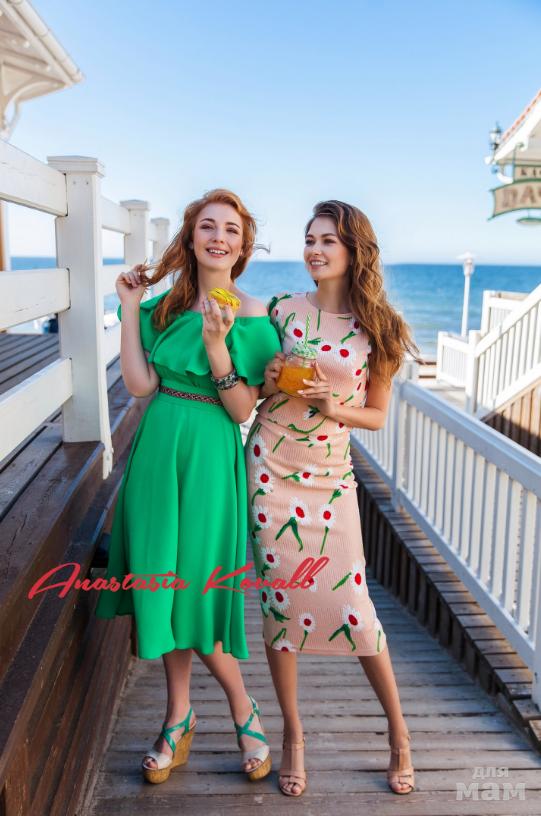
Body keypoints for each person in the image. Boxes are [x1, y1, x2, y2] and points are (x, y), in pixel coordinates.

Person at [95, 189, 281, 784]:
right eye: (208, 226)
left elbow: (242, 409)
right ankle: (178, 718)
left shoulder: (253, 314)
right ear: (191, 236)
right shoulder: (165, 305)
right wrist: (129, 308)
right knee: (164, 587)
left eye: (231, 229)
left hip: (209, 457)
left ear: (243, 246)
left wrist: (216, 345)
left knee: (196, 590)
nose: (218, 237)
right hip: (157, 451)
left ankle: (242, 708)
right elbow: (139, 384)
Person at [245, 199, 422, 797]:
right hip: (271, 469)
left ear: (353, 251)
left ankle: (398, 734)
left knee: (355, 606)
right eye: (310, 239)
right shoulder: (281, 310)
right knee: (279, 605)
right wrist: (269, 379)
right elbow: (252, 386)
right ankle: (293, 736)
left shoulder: (381, 329)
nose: (315, 250)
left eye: (328, 241)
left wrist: (332, 406)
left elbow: (376, 414)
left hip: (329, 478)